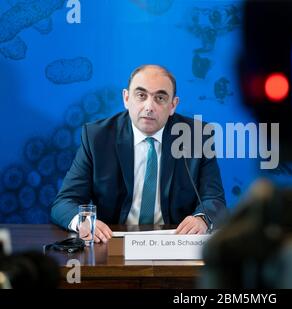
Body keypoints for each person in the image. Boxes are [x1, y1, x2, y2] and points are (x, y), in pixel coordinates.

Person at [51, 65, 226, 242]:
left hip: (175, 241)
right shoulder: (98, 137)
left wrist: (202, 218)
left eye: (160, 98)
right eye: (141, 95)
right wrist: (83, 222)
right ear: (126, 98)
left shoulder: (196, 136)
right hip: (112, 241)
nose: (149, 106)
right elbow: (64, 202)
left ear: (173, 105)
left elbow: (214, 200)